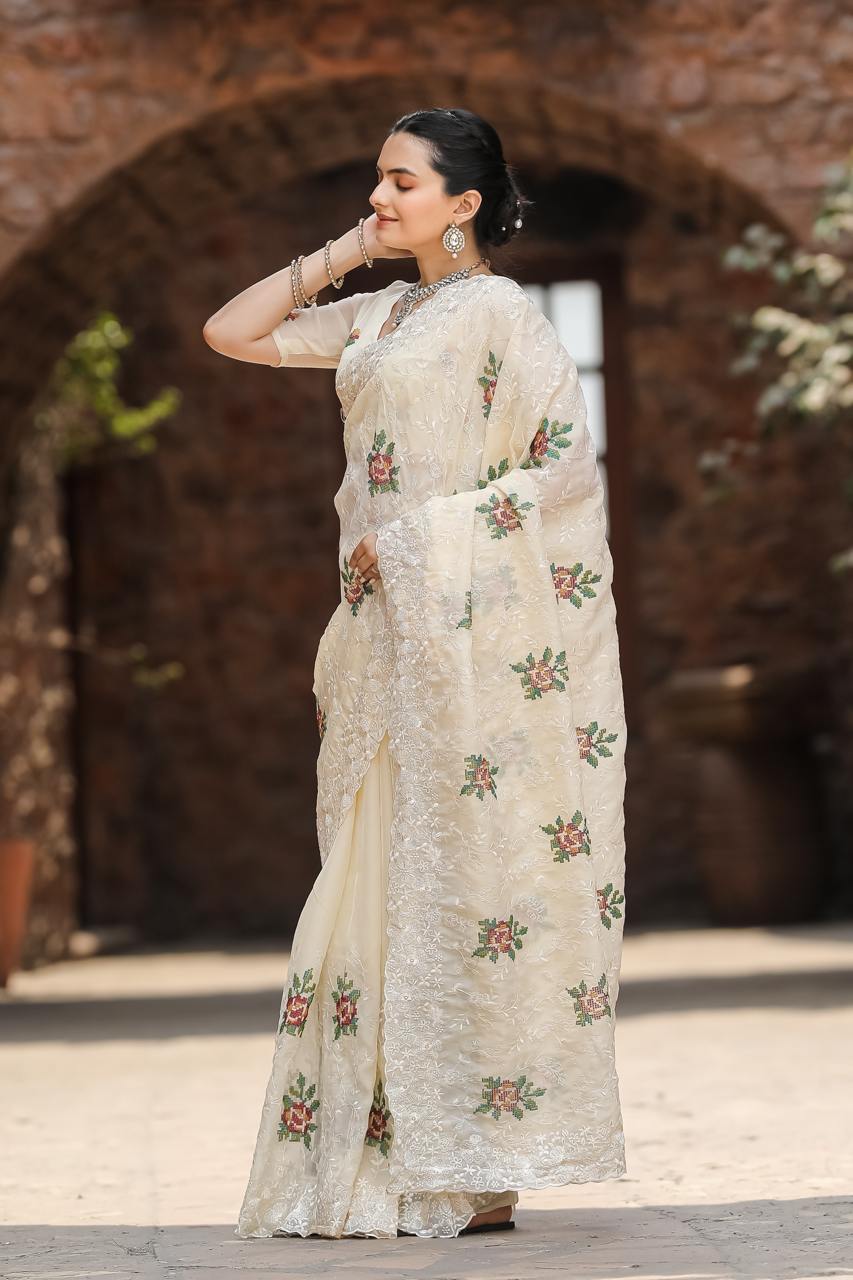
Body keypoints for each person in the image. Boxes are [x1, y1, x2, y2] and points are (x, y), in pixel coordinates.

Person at [203, 106, 628, 1241]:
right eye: (377, 180)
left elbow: (560, 470)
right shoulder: (380, 312)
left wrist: (414, 541)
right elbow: (231, 332)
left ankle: (470, 1159)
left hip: (466, 640)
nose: (381, 197)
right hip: (376, 638)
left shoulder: (501, 316)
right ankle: (375, 1151)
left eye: (401, 182)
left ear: (463, 202)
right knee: (373, 878)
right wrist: (350, 250)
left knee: (466, 878)